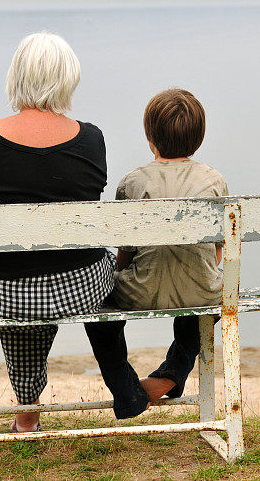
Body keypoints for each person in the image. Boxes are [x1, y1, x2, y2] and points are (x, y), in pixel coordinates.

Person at [0, 32, 116, 432]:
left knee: (5, 287)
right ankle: (26, 412)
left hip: (1, 289)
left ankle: (26, 410)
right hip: (80, 287)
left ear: (15, 76)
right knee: (50, 278)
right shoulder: (92, 140)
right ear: (69, 78)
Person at [85, 88, 228, 416]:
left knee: (95, 307)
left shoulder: (133, 182)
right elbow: (218, 254)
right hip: (202, 292)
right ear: (200, 137)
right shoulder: (214, 181)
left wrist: (123, 272)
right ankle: (173, 372)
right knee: (205, 297)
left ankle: (126, 387)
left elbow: (125, 254)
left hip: (139, 292)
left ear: (150, 137)